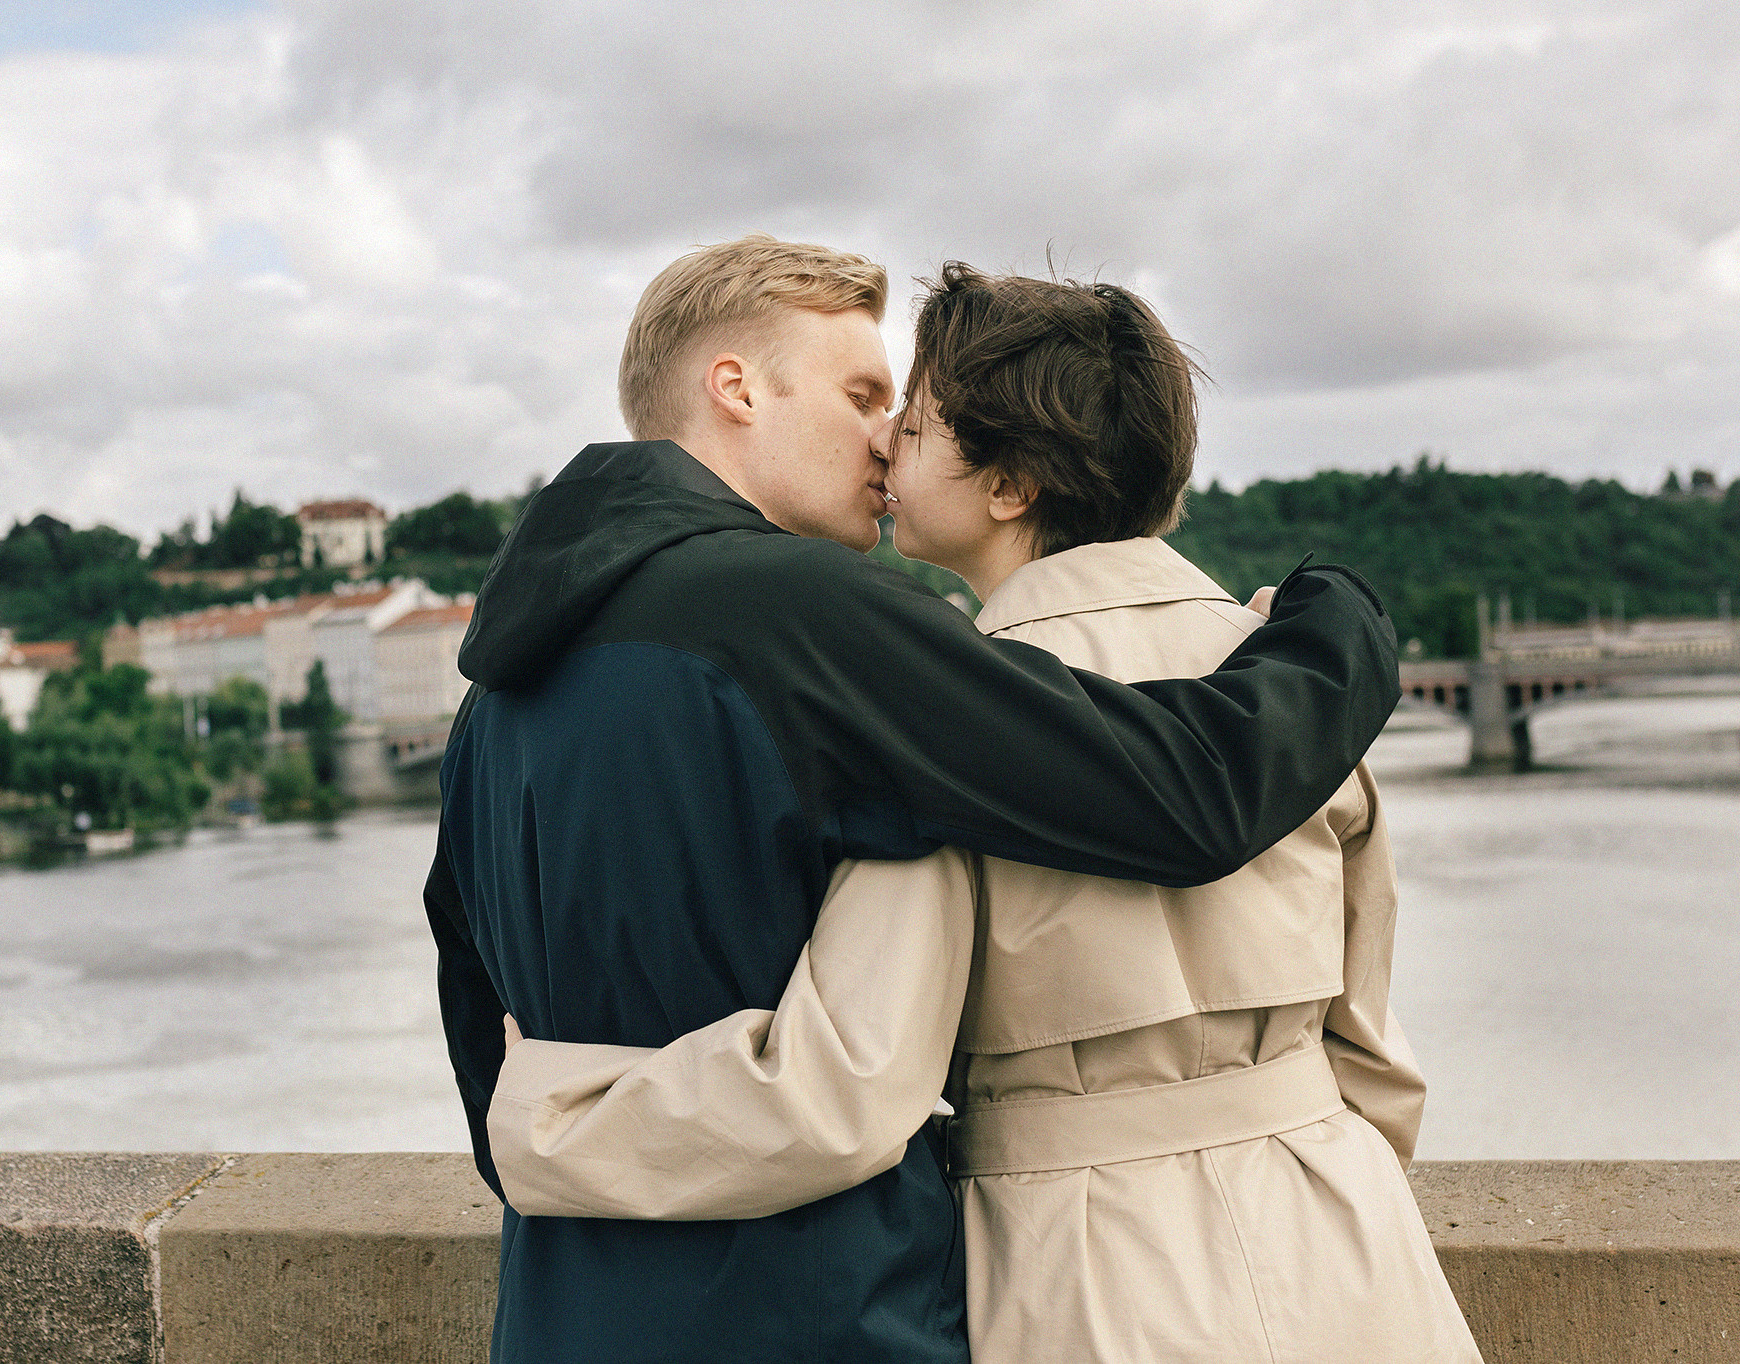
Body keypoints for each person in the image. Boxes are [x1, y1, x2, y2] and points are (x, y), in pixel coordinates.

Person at [426, 236, 1403, 1364]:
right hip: (820, 1313)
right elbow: (1184, 794)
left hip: (564, 1315)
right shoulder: (804, 615)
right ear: (734, 388)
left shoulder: (490, 693)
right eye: (858, 394)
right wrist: (1337, 622)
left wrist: (544, 1126)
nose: (883, 438)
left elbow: (480, 1050)